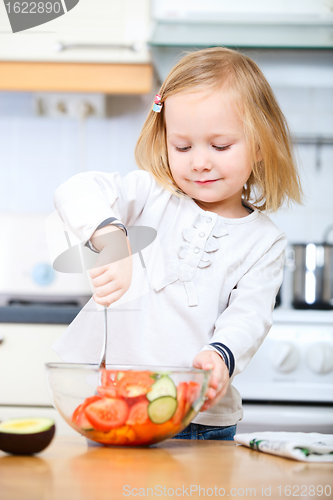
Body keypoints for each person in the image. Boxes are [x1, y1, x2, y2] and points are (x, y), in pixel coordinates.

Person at [52, 47, 302, 441]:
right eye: (182, 147)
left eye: (220, 146)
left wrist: (219, 356)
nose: (199, 162)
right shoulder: (152, 194)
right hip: (117, 405)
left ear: (259, 145)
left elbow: (249, 318)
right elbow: (76, 189)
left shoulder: (264, 241)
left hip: (200, 420)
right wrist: (112, 238)